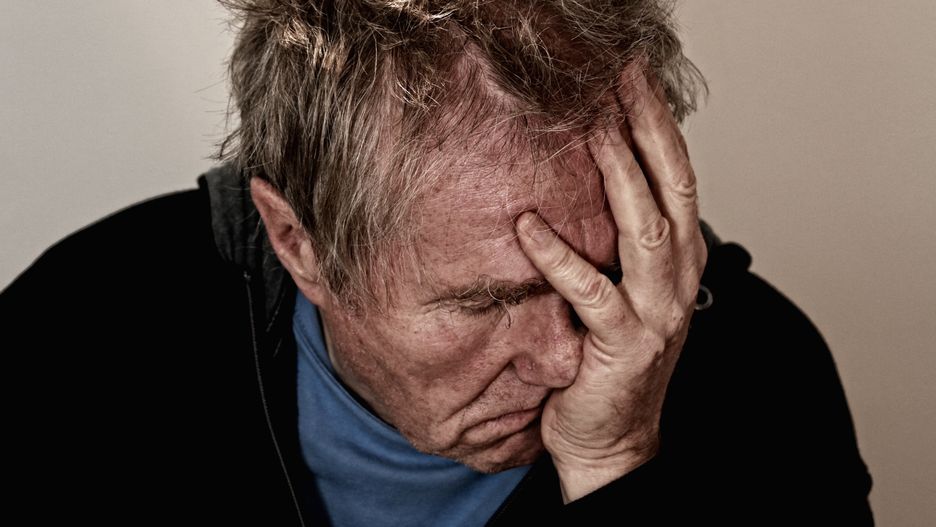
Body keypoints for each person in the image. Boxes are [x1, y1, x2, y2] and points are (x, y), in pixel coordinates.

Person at [2, 0, 874, 525]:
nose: (567, 358)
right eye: (487, 301)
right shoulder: (78, 339)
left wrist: (616, 467)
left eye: (600, 278)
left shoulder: (763, 374)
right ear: (298, 240)